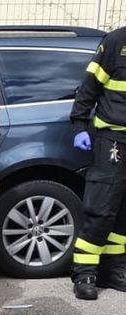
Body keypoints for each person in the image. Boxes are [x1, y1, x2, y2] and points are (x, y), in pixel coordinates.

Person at [69, 24, 126, 300]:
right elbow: (89, 84)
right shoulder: (116, 41)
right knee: (101, 208)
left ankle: (113, 270)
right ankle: (84, 273)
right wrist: (79, 124)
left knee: (123, 211)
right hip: (113, 139)